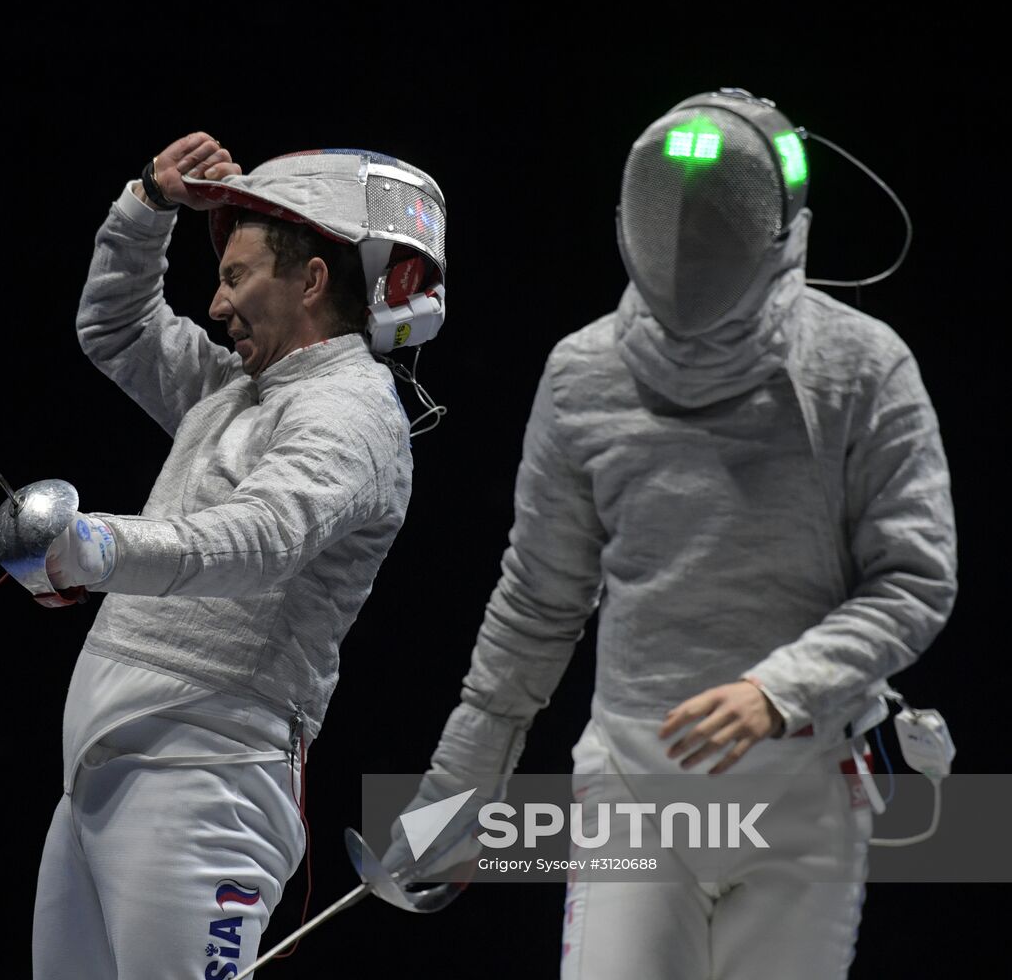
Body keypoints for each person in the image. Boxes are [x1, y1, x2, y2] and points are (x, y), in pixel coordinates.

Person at [387, 89, 956, 978]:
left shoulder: (859, 367)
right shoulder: (583, 376)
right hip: (635, 782)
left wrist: (778, 690)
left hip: (803, 785)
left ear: (778, 230)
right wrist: (455, 799)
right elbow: (537, 602)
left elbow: (914, 579)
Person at [26, 133, 448, 979]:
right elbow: (114, 329)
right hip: (105, 776)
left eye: (232, 277)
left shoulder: (353, 413)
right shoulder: (237, 392)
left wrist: (96, 545)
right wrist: (147, 207)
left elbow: (254, 540)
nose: (216, 307)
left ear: (312, 282)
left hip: (203, 781)